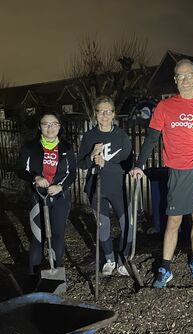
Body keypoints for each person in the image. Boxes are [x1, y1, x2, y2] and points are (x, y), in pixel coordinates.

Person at [129, 59, 193, 288]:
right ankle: (165, 268)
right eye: (180, 76)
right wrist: (139, 164)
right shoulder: (164, 107)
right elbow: (152, 138)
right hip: (177, 170)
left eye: (188, 75)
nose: (184, 80)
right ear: (175, 80)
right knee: (174, 220)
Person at [16, 111, 77, 294]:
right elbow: (20, 169)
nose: (50, 128)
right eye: (45, 124)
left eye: (54, 124)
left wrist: (60, 187)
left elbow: (72, 172)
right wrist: (35, 177)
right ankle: (32, 278)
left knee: (57, 236)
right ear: (39, 127)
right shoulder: (30, 147)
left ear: (59, 126)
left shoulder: (66, 147)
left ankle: (57, 274)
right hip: (38, 197)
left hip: (59, 198)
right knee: (38, 238)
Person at [78, 96, 133, 276]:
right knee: (103, 226)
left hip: (117, 189)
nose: (105, 115)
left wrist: (106, 164)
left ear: (114, 114)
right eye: (101, 111)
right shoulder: (89, 136)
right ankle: (109, 259)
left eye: (108, 111)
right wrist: (91, 155)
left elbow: (127, 166)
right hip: (97, 189)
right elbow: (82, 164)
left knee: (128, 225)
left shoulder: (121, 136)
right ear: (95, 114)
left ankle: (123, 260)